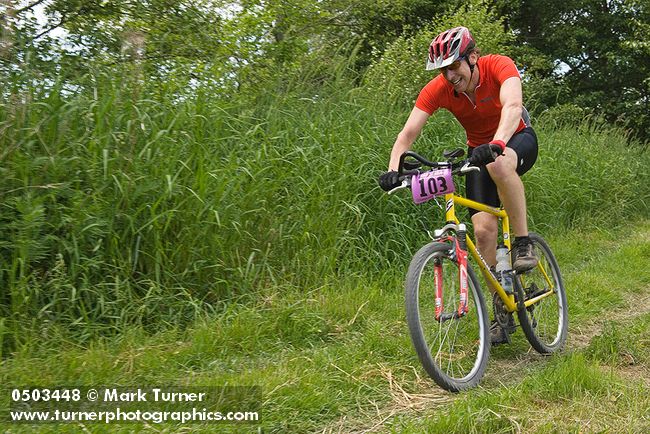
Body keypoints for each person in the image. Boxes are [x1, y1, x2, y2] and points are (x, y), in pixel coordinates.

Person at [378, 26, 539, 344]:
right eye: (444, 70)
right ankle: (502, 307)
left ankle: (523, 242)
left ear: (473, 58)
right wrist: (393, 168)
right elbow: (407, 134)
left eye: (454, 66)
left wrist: (497, 141)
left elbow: (512, 107)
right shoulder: (438, 89)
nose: (450, 76)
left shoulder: (498, 65)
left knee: (499, 163)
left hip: (516, 137)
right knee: (482, 233)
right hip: (479, 152)